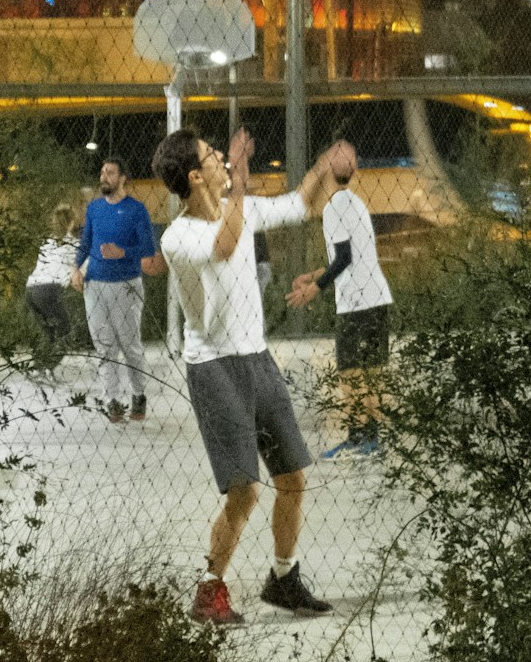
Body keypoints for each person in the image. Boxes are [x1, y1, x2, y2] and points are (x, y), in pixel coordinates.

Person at [154, 125, 332, 624]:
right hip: (214, 367)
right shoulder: (179, 235)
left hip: (257, 358)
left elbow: (301, 204)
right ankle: (209, 591)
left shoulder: (241, 207)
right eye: (214, 157)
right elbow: (227, 245)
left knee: (292, 477)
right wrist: (241, 181)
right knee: (243, 489)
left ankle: (282, 578)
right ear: (196, 176)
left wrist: (324, 163)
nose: (224, 160)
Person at [289, 141, 394, 458]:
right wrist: (315, 274)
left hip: (355, 303)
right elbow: (352, 256)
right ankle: (370, 438)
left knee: (350, 370)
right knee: (372, 369)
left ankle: (359, 437)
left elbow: (344, 258)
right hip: (377, 297)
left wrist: (315, 288)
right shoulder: (357, 203)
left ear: (323, 172)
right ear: (356, 170)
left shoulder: (333, 207)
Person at [71, 157, 159, 423]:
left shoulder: (136, 210)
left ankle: (138, 394)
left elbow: (148, 251)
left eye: (110, 173)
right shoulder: (95, 209)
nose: (104, 177)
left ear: (122, 178)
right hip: (95, 285)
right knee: (104, 346)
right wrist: (76, 268)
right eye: (102, 172)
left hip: (126, 285)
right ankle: (112, 400)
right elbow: (85, 243)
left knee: (129, 344)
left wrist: (123, 252)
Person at [25, 203, 80, 359]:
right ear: (71, 221)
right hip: (48, 290)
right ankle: (47, 365)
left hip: (31, 290)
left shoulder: (48, 241)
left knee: (49, 333)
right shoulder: (73, 244)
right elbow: (81, 268)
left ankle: (40, 367)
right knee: (65, 331)